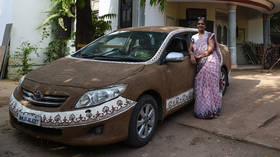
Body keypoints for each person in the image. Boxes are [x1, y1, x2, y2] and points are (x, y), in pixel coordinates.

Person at [189, 17, 222, 119]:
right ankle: (202, 110)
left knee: (210, 87)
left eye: (202, 24)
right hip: (200, 63)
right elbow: (190, 49)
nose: (200, 25)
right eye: (198, 24)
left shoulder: (209, 35)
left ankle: (211, 110)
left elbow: (211, 49)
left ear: (205, 26)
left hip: (210, 61)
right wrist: (191, 55)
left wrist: (199, 56)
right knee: (201, 87)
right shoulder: (194, 37)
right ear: (196, 25)